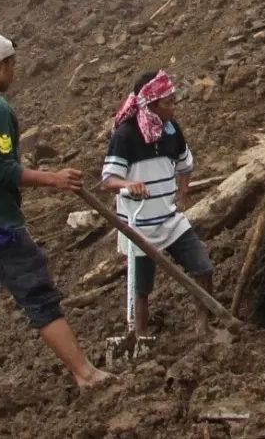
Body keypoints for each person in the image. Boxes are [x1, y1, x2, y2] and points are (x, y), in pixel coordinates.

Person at [0, 33, 110, 404]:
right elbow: (1, 168)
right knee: (39, 296)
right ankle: (87, 375)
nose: (14, 72)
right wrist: (54, 179)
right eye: (12, 64)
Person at [100, 69, 214, 338]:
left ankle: (203, 326)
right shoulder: (126, 136)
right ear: (150, 104)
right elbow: (108, 180)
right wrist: (128, 185)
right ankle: (140, 335)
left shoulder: (172, 131)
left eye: (174, 101)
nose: (173, 107)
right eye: (168, 103)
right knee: (141, 289)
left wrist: (183, 194)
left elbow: (186, 165)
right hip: (138, 225)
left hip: (169, 219)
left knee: (203, 267)